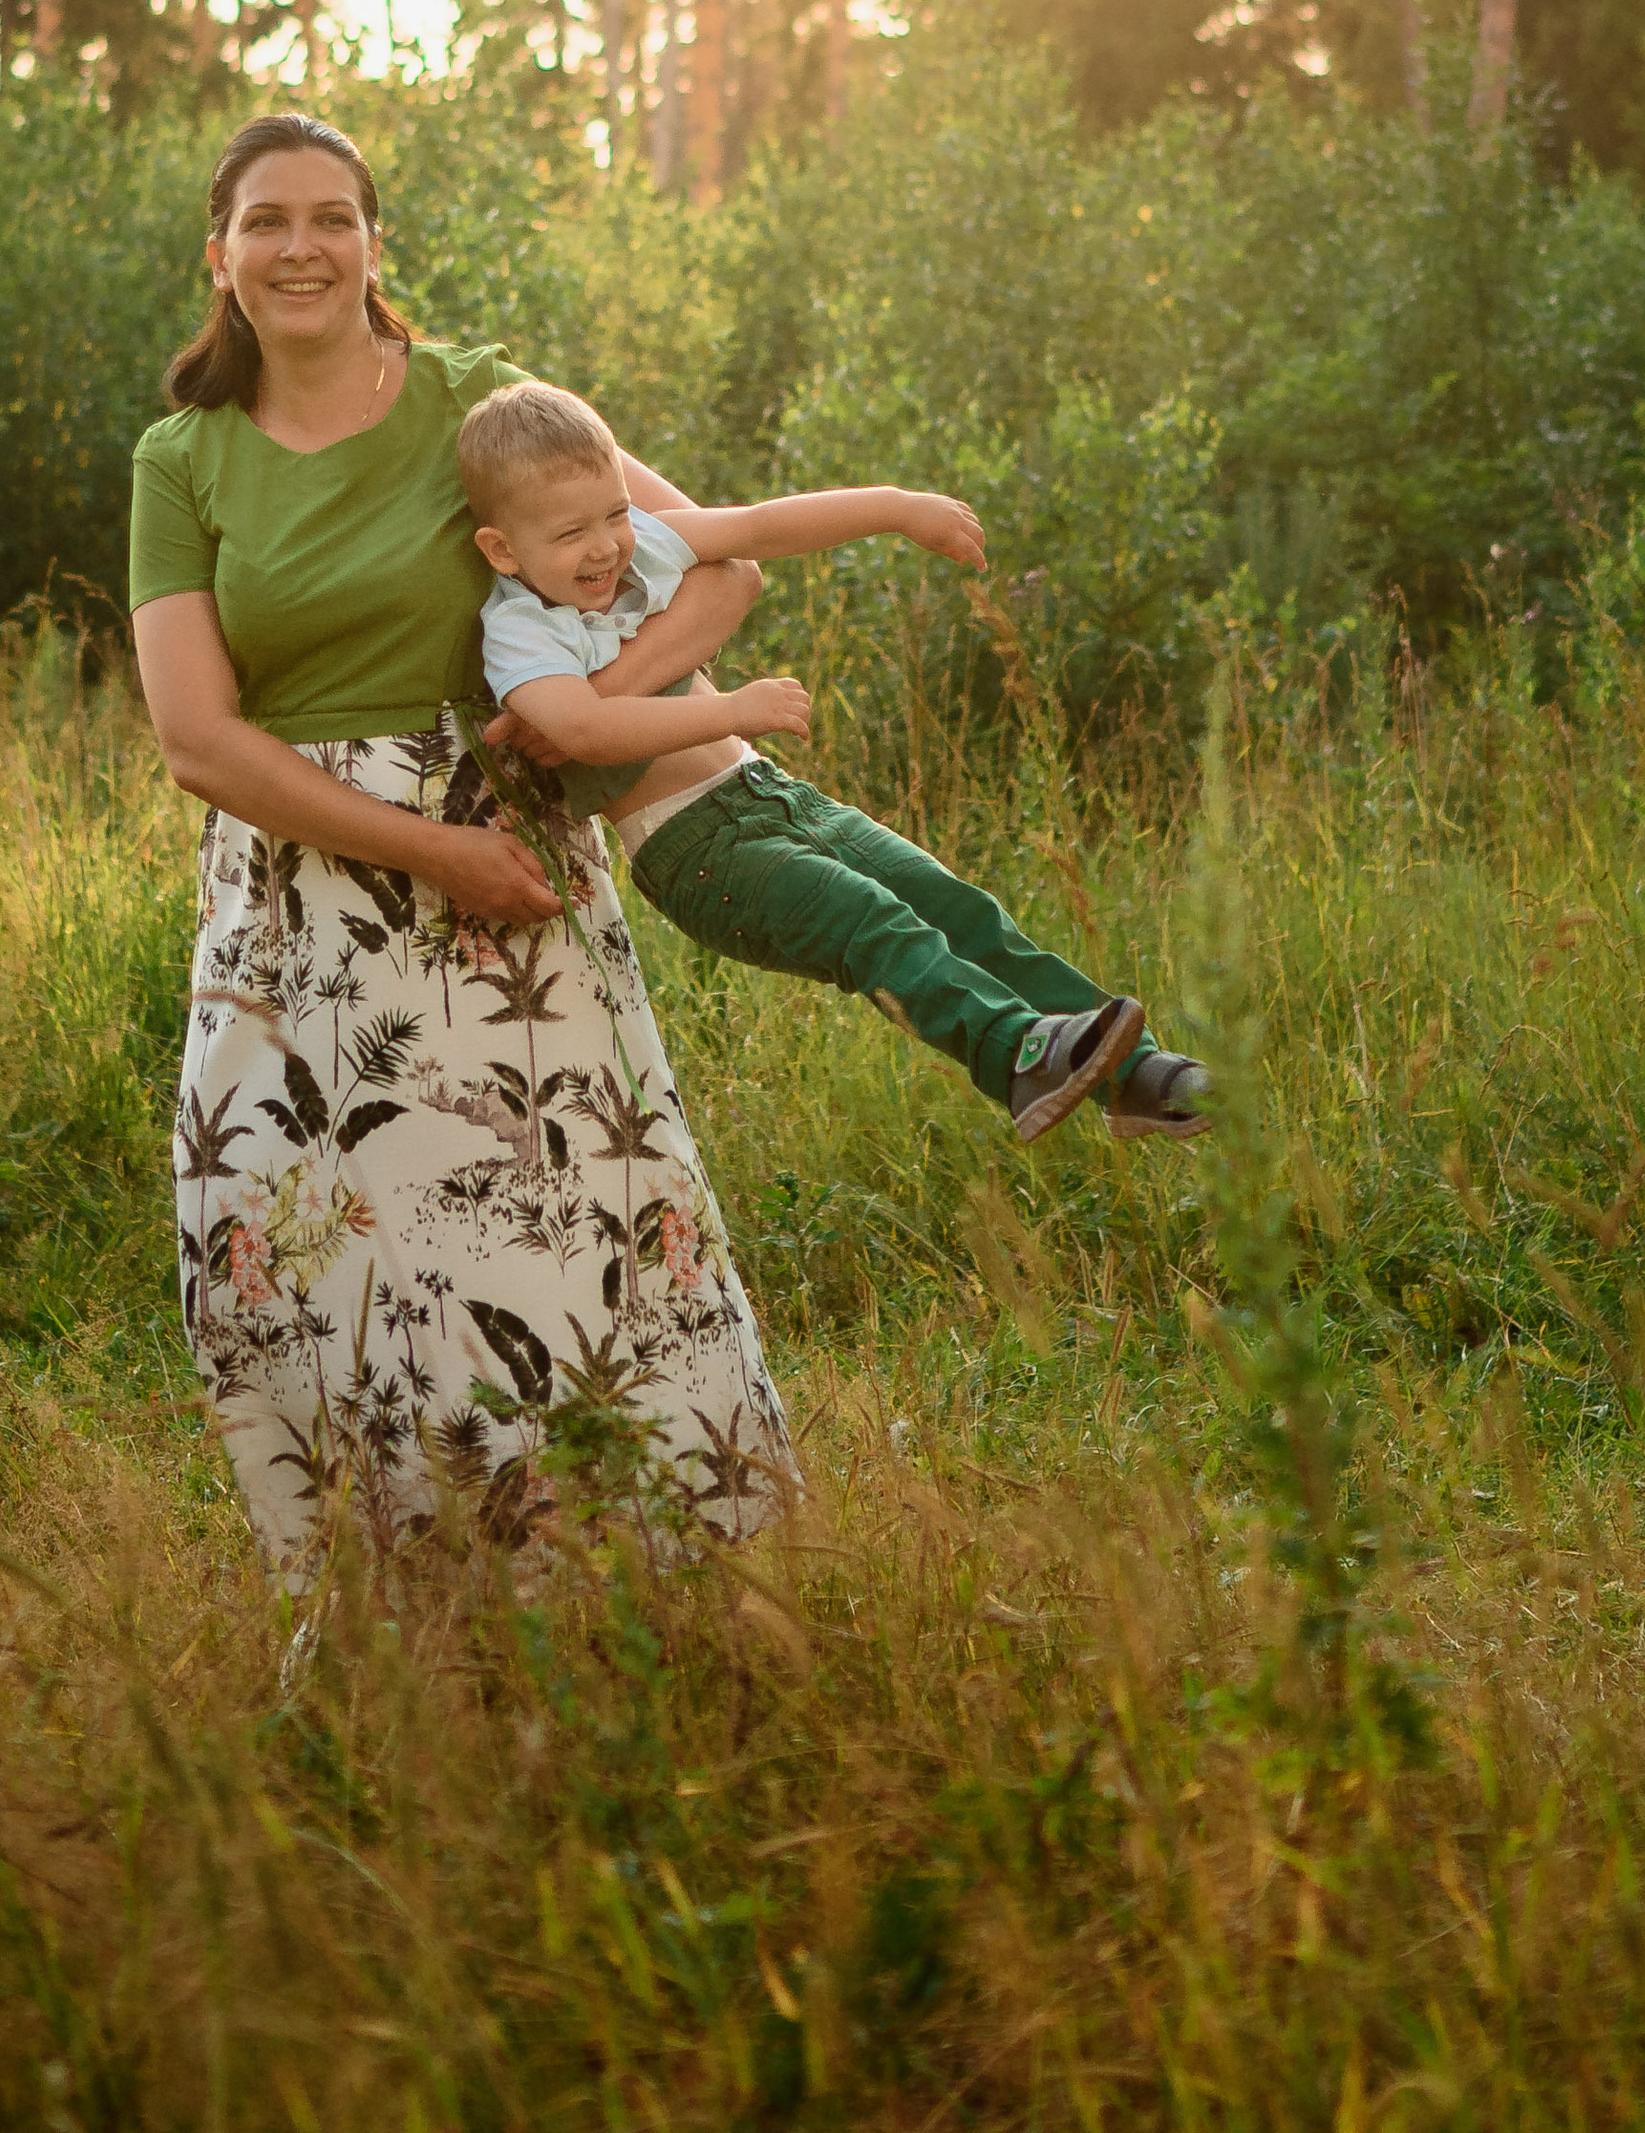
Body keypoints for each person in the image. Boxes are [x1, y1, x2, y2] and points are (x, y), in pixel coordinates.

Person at [130, 115, 791, 1589]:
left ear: (373, 243)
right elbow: (197, 738)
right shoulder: (185, 460)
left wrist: (570, 724)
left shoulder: (483, 403)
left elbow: (718, 568)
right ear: (221, 257)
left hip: (505, 890)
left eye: (332, 219)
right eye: (267, 222)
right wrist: (429, 850)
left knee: (561, 1244)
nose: (301, 246)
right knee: (279, 1270)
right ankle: (397, 1626)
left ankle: (653, 1597)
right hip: (295, 917)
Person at [458, 380, 1214, 1148]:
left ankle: (1138, 1078)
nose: (604, 546)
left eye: (615, 514)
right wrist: (734, 709)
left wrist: (898, 508)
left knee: (957, 909)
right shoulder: (521, 630)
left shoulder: (639, 547)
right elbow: (582, 729)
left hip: (774, 794)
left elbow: (758, 526)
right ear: (503, 548)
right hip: (701, 851)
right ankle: (1011, 1055)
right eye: (572, 533)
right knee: (874, 925)